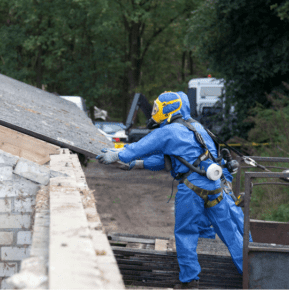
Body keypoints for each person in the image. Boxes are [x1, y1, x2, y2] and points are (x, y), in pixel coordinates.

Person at [97, 91, 244, 289]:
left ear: (167, 109)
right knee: (231, 233)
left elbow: (139, 147)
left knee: (185, 233)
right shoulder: (196, 127)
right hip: (214, 187)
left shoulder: (168, 131)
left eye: (157, 109)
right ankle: (254, 274)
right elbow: (170, 160)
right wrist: (137, 164)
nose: (154, 113)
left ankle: (190, 281)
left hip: (191, 190)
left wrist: (118, 155)